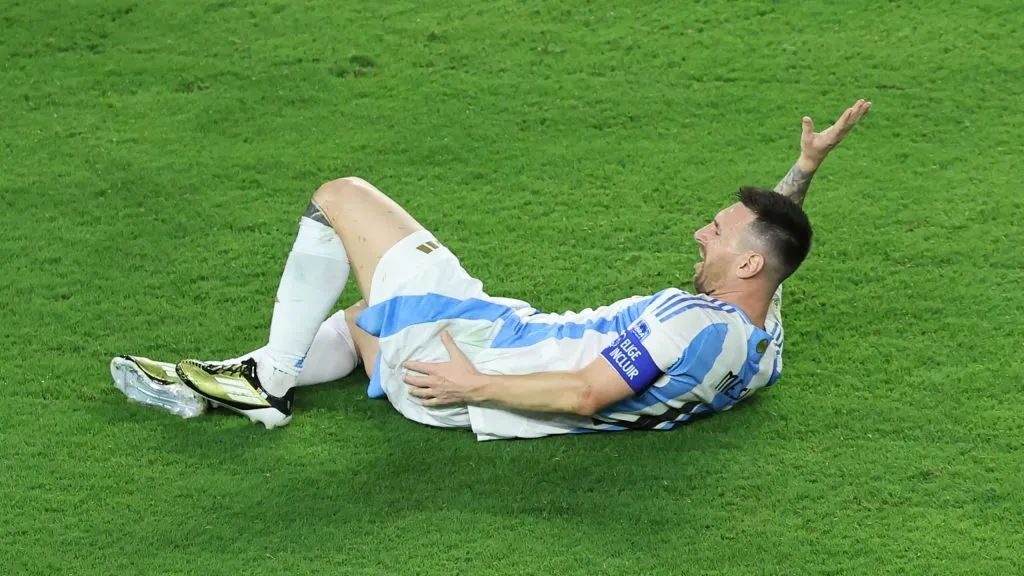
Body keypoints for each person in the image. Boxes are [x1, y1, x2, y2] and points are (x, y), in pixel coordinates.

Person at [111, 99, 871, 440]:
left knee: (341, 198)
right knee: (353, 321)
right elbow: (772, 249)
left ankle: (263, 383)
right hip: (485, 352)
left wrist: (472, 383)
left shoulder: (686, 328)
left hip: (475, 361)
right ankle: (232, 380)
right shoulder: (760, 334)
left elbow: (583, 393)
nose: (700, 233)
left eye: (717, 229)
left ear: (742, 261)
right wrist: (804, 169)